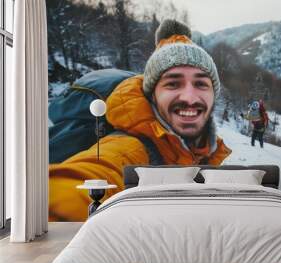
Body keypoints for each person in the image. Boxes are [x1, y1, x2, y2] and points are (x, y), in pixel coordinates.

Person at [49, 19, 232, 221]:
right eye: (173, 84)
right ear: (152, 95)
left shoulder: (206, 149)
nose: (189, 97)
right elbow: (85, 179)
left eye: (201, 83)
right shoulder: (131, 148)